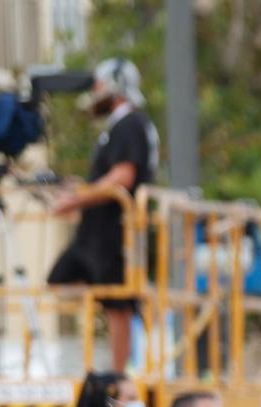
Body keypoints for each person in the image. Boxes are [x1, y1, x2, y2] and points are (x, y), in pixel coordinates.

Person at [46, 59, 159, 372]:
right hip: (98, 233)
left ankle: (121, 370)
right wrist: (78, 190)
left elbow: (123, 174)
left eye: (99, 86)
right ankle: (120, 363)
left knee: (118, 304)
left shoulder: (130, 124)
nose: (95, 94)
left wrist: (77, 198)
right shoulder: (121, 127)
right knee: (77, 285)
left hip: (113, 231)